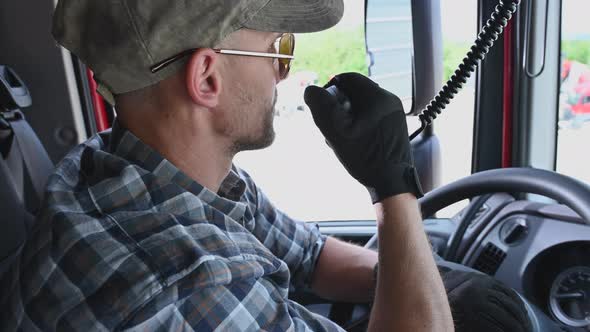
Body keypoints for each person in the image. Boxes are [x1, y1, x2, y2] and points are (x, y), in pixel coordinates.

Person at [0, 0, 531, 331]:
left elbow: (311, 257)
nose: (284, 72)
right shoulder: (188, 284)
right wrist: (392, 185)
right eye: (278, 48)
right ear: (207, 78)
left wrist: (435, 281)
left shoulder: (112, 167)